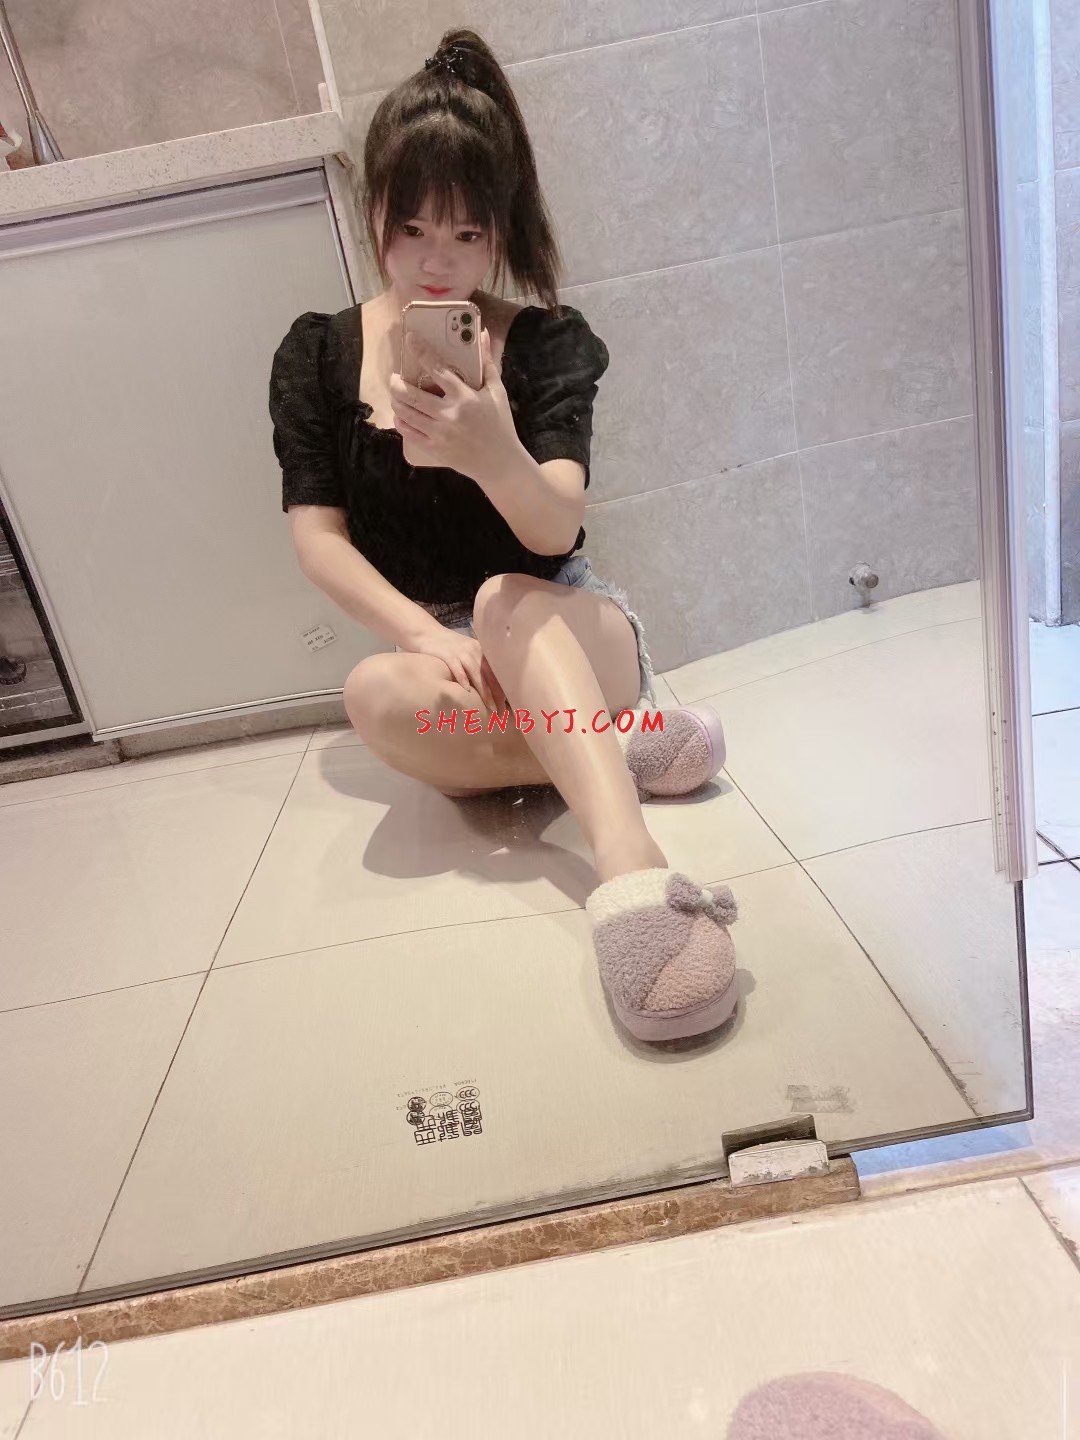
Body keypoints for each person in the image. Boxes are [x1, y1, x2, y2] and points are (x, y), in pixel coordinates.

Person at [269, 29, 740, 1043]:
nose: (436, 262)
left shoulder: (546, 345)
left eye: (467, 233)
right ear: (374, 215)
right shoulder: (316, 356)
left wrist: (490, 448)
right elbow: (318, 540)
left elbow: (556, 523)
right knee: (374, 694)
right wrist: (418, 632)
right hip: (450, 667)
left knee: (501, 598)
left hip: (564, 626)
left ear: (501, 232)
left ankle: (628, 864)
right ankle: (618, 746)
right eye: (410, 229)